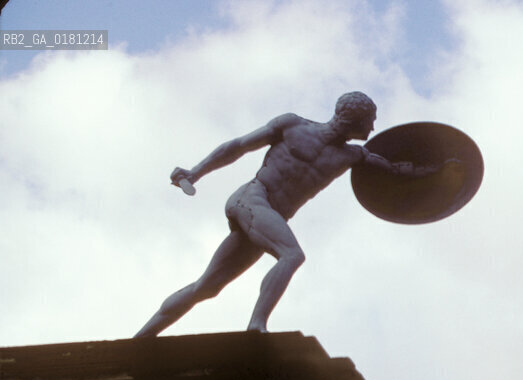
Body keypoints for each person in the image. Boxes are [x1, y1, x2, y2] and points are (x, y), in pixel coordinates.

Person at [136, 91, 426, 337]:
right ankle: (256, 324)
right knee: (292, 255)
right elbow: (238, 146)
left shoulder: (354, 156)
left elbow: (399, 171)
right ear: (355, 119)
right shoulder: (292, 126)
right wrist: (196, 172)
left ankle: (140, 340)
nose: (373, 129)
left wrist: (443, 171)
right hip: (251, 199)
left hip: (270, 217)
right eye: (371, 121)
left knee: (207, 287)